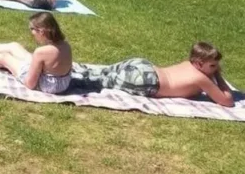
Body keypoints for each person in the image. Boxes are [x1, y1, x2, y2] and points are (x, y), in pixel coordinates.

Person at [73, 42, 234, 107]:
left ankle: (71, 69)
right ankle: (62, 78)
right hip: (146, 80)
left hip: (142, 65)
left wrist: (214, 71)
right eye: (213, 66)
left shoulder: (187, 64)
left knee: (102, 72)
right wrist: (218, 77)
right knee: (96, 82)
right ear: (199, 64)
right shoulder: (201, 78)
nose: (215, 69)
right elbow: (227, 101)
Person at [0, 12, 72, 94]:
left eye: (32, 30)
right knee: (14, 46)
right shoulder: (65, 45)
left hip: (49, 86)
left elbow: (30, 84)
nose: (31, 33)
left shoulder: (41, 52)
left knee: (5, 58)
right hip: (62, 83)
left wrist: (24, 69)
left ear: (41, 31)